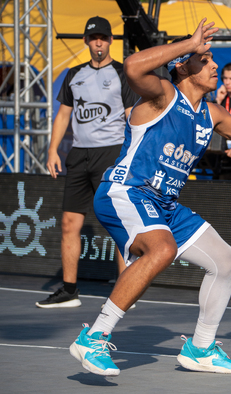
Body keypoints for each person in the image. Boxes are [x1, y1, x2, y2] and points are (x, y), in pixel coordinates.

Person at [68, 19, 231, 376]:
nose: (215, 65)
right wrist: (190, 43)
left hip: (164, 205)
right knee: (163, 248)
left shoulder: (210, 113)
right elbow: (132, 66)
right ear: (183, 65)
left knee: (226, 261)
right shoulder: (163, 96)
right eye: (205, 59)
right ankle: (93, 337)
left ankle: (200, 348)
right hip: (126, 191)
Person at [36, 16, 138, 309]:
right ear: (86, 41)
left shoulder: (122, 73)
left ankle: (125, 291)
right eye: (94, 38)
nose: (98, 43)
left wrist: (131, 154)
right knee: (69, 222)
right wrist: (53, 149)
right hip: (80, 154)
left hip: (112, 152)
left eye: (103, 38)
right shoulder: (73, 75)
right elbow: (63, 115)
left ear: (110, 42)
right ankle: (69, 290)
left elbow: (133, 116)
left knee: (119, 222)